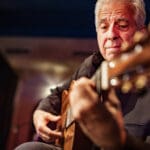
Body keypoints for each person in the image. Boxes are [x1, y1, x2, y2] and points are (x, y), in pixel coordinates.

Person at [15, 0, 150, 149]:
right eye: (103, 27)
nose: (111, 34)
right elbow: (58, 93)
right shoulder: (91, 65)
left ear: (142, 33)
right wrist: (41, 112)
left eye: (123, 25)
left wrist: (118, 140)